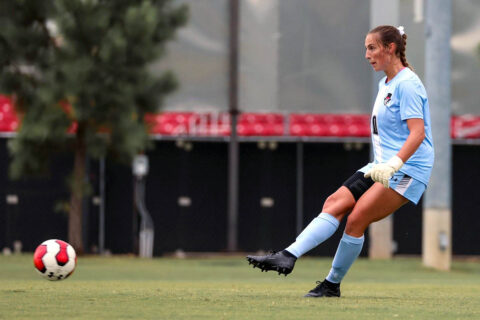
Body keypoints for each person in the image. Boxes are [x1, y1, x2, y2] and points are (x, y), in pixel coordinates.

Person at [246, 25, 434, 298]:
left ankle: (331, 285)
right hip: (381, 165)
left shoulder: (408, 84)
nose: (367, 54)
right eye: (366, 48)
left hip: (409, 169)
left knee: (356, 220)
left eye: (372, 48)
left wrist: (393, 164)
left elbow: (418, 133)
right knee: (334, 203)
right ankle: (287, 256)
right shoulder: (387, 83)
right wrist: (385, 164)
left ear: (390, 48)